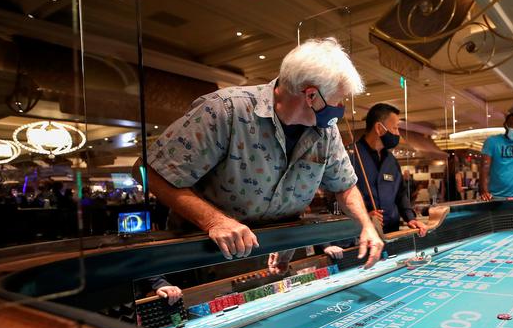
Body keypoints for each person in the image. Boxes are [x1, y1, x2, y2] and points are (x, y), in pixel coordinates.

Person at [146, 38, 383, 269]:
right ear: (310, 95)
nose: (339, 108)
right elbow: (151, 172)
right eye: (338, 100)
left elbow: (344, 186)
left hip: (277, 254)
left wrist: (366, 225)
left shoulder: (326, 132)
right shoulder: (226, 110)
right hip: (210, 259)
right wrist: (214, 221)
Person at [350, 103, 427, 236]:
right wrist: (362, 216)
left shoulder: (391, 160)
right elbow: (337, 200)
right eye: (395, 128)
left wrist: (411, 218)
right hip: (362, 236)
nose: (398, 134)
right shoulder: (351, 156)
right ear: (379, 128)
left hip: (392, 235)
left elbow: (400, 194)